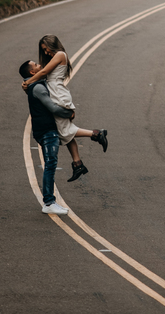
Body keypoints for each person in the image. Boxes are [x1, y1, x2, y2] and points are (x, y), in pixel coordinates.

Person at [21, 34, 108, 183]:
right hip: (56, 93)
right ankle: (78, 164)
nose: (46, 53)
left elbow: (42, 73)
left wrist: (28, 81)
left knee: (63, 131)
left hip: (59, 95)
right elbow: (42, 76)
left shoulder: (60, 54)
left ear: (51, 44)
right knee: (65, 131)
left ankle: (97, 134)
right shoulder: (56, 57)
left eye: (46, 49)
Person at [19, 59, 75, 215]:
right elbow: (51, 107)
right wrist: (68, 113)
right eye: (36, 65)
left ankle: (50, 201)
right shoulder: (37, 87)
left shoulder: (32, 84)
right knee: (50, 164)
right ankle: (49, 202)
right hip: (46, 130)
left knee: (50, 163)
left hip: (43, 129)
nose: (40, 66)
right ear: (32, 72)